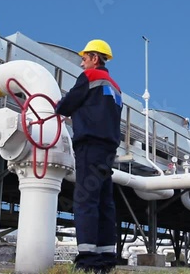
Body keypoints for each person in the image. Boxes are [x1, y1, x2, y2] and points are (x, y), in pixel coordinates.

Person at [56, 39, 122, 273]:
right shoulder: (115, 86)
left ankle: (87, 259)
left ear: (95, 58)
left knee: (86, 201)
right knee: (105, 202)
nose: (82, 64)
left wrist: (59, 108)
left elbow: (68, 103)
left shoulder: (90, 77)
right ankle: (106, 258)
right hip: (108, 150)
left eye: (84, 58)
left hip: (90, 146)